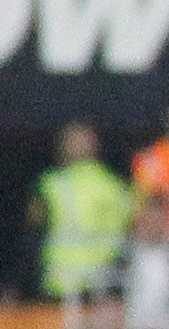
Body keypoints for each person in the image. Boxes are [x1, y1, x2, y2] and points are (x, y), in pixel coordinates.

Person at [34, 120, 135, 301]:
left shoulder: (53, 185)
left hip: (78, 284)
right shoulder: (116, 187)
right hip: (85, 282)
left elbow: (31, 235)